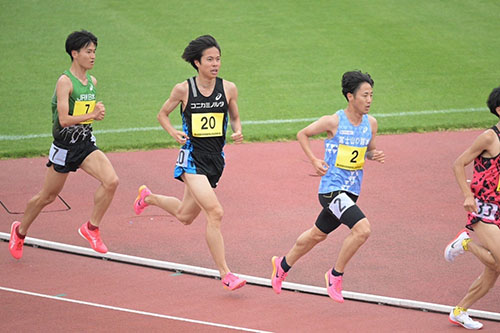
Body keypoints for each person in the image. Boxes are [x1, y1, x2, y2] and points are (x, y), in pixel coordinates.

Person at [134, 35, 246, 291]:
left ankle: (147, 198)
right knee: (215, 212)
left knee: (185, 216)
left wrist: (237, 130)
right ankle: (226, 274)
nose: (215, 64)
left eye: (218, 59)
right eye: (210, 59)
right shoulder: (183, 89)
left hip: (215, 161)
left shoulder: (228, 88)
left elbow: (235, 116)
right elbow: (162, 114)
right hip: (191, 159)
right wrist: (173, 132)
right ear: (197, 62)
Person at [270, 71, 385, 302]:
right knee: (362, 229)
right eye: (365, 95)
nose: (370, 100)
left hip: (352, 192)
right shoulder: (333, 121)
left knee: (317, 235)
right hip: (332, 190)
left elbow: (368, 150)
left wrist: (374, 155)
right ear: (350, 96)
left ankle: (281, 265)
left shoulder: (371, 124)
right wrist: (314, 160)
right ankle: (335, 275)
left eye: (372, 95)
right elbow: (303, 134)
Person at [8, 30, 119, 259]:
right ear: (74, 53)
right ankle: (19, 232)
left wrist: (94, 114)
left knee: (111, 181)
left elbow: (85, 116)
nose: (93, 56)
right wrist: (93, 114)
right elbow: (64, 120)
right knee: (47, 197)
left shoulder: (92, 82)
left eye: (94, 52)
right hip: (64, 148)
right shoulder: (65, 82)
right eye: (88, 52)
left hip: (85, 145)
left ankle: (91, 228)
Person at [444, 87, 500, 330]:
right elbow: (459, 164)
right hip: (483, 209)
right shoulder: (490, 137)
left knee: (494, 269)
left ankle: (459, 311)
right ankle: (465, 243)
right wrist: (467, 195)